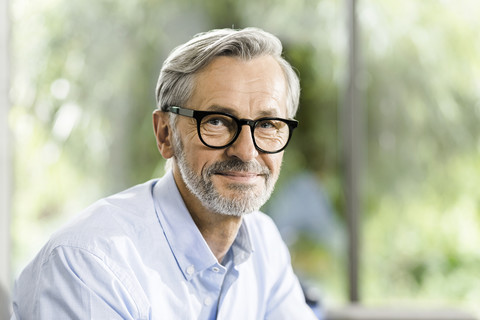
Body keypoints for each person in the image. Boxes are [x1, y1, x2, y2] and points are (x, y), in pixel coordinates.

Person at [11, 27, 318, 319]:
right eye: (217, 121)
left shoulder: (263, 241)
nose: (246, 152)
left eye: (267, 125)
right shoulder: (89, 262)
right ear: (165, 135)